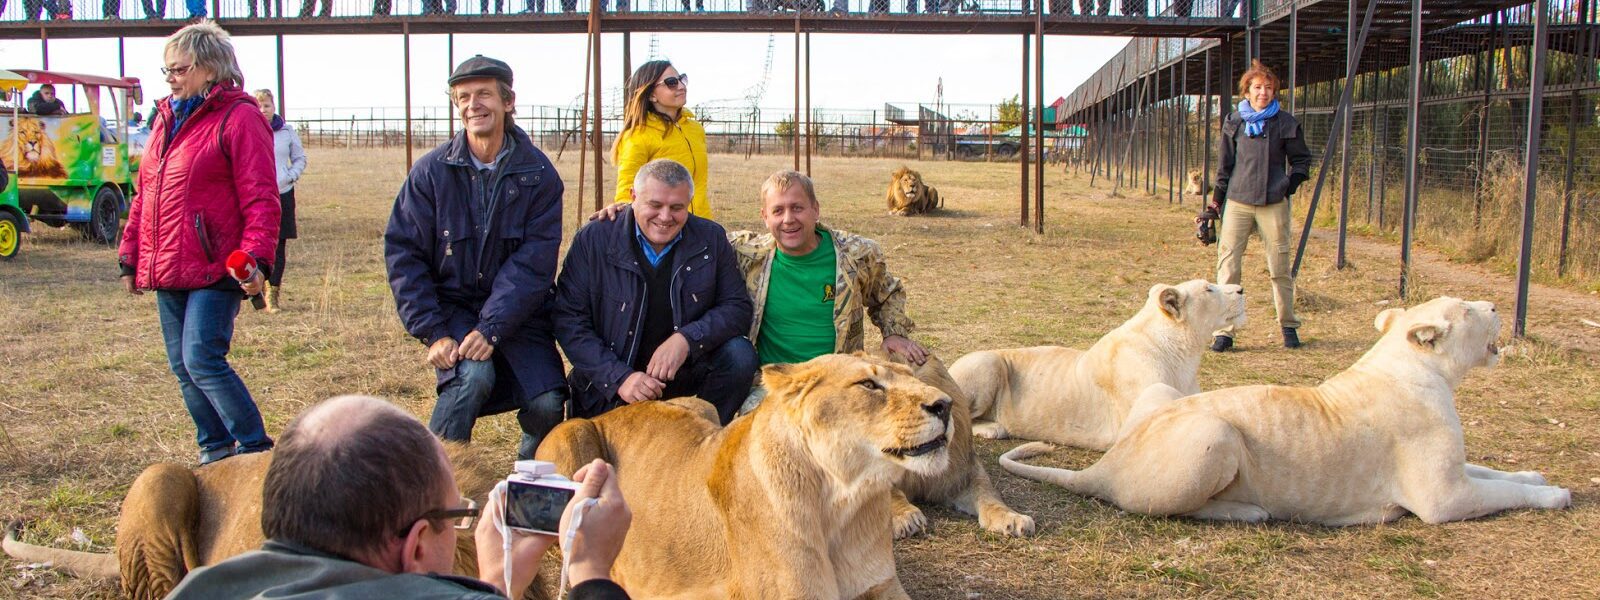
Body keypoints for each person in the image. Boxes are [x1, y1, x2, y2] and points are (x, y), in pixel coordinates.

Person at [164, 395, 633, 600]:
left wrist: (497, 583)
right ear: (416, 547)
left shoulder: (198, 590)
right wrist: (590, 572)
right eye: (458, 516)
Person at [385, 55, 567, 460]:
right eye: (463, 97)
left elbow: (533, 265)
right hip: (453, 307)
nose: (473, 105)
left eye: (484, 94)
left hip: (520, 314)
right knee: (472, 377)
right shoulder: (431, 173)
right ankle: (434, 482)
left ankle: (527, 488)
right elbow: (404, 253)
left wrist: (493, 327)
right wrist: (433, 331)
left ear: (508, 101)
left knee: (549, 401)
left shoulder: (538, 175)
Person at [117, 21, 280, 466]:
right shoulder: (165, 117)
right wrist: (131, 255)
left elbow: (261, 194)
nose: (170, 77)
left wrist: (257, 257)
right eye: (166, 69)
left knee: (202, 357)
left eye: (179, 68)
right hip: (167, 263)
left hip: (215, 265)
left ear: (210, 68)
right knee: (182, 367)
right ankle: (215, 451)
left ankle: (254, 449)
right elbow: (145, 191)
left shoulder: (240, 116)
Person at [554, 158, 756, 425]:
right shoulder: (594, 240)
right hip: (612, 384)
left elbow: (737, 307)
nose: (665, 217)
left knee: (739, 355)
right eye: (655, 205)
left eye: (677, 207)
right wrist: (620, 378)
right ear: (633, 197)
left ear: (689, 204)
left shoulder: (710, 239)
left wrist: (686, 339)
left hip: (683, 376)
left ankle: (700, 435)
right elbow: (568, 319)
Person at [1206, 59, 1312, 352]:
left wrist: (1287, 184)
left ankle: (1288, 326)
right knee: (1228, 267)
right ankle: (1225, 331)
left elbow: (1301, 160)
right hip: (1238, 202)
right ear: (1247, 92)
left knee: (1279, 266)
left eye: (1268, 88)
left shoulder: (1285, 123)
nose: (1263, 92)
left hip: (1272, 202)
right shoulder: (1234, 122)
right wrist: (1215, 204)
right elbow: (1224, 168)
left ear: (1274, 92)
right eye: (1257, 87)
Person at [612, 61, 711, 219]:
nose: (681, 86)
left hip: (699, 224)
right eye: (671, 82)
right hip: (665, 226)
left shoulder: (695, 129)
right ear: (651, 94)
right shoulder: (638, 136)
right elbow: (627, 191)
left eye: (681, 79)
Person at [254, 89, 307, 314]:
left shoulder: (286, 132)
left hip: (282, 193)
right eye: (259, 106)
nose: (263, 110)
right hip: (255, 194)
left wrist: (291, 175)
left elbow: (299, 158)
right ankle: (253, 289)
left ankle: (273, 293)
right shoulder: (248, 130)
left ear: (274, 107)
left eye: (267, 106)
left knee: (278, 244)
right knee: (254, 243)